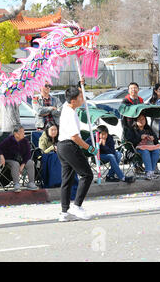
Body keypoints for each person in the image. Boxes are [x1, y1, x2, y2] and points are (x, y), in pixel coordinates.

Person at [57, 85, 96, 222]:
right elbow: (75, 137)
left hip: (61, 146)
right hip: (69, 145)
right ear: (73, 101)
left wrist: (81, 85)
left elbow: (73, 93)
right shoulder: (71, 113)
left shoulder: (66, 107)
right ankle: (76, 206)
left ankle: (64, 212)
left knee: (67, 179)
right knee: (87, 175)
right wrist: (90, 148)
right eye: (80, 97)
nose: (83, 99)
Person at [0, 125, 38, 192]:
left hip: (21, 160)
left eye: (23, 132)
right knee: (15, 164)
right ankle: (16, 184)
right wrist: (1, 156)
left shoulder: (25, 141)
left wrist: (23, 165)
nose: (24, 134)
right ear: (16, 134)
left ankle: (31, 183)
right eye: (21, 132)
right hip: (10, 159)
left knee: (30, 162)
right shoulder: (9, 140)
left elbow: (28, 154)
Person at [125, 113, 160, 180]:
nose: (141, 121)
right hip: (136, 150)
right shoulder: (132, 130)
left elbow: (156, 140)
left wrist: (153, 138)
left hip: (150, 147)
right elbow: (130, 143)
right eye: (139, 119)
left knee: (156, 151)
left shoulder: (148, 128)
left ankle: (151, 172)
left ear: (146, 120)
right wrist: (140, 137)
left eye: (143, 119)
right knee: (145, 151)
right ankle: (148, 172)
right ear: (135, 121)